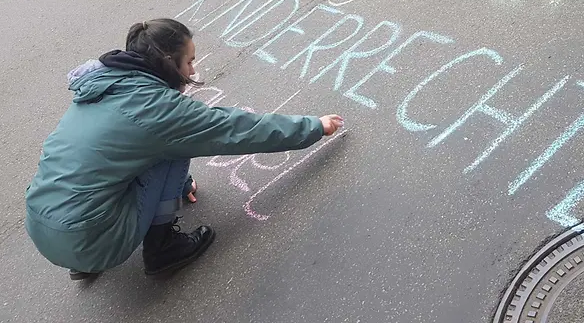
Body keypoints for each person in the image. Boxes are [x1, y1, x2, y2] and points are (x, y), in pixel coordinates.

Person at [25, 19, 344, 281]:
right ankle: (163, 249)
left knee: (133, 155)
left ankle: (82, 261)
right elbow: (237, 129)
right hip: (90, 237)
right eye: (189, 61)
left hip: (42, 225)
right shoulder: (157, 110)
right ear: (168, 62)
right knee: (174, 147)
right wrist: (314, 126)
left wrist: (176, 185)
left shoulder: (108, 82)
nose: (192, 71)